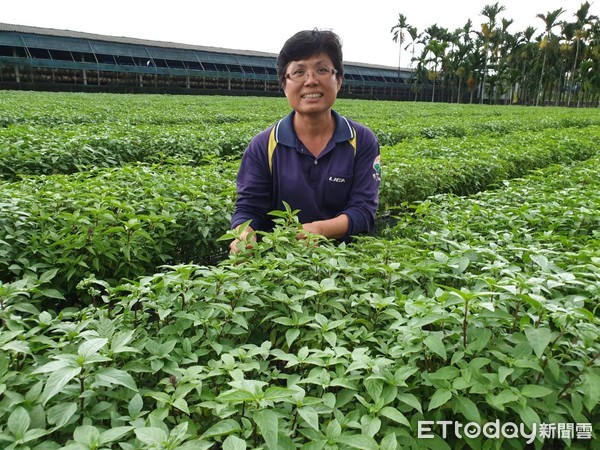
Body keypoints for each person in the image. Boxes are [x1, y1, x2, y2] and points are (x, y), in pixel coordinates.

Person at [229, 29, 381, 253]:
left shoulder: (362, 140)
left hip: (346, 263)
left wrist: (319, 230)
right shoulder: (263, 145)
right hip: (279, 268)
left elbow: (363, 210)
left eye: (321, 70)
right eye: (299, 72)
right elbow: (249, 208)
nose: (310, 81)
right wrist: (244, 235)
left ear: (338, 80)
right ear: (284, 84)